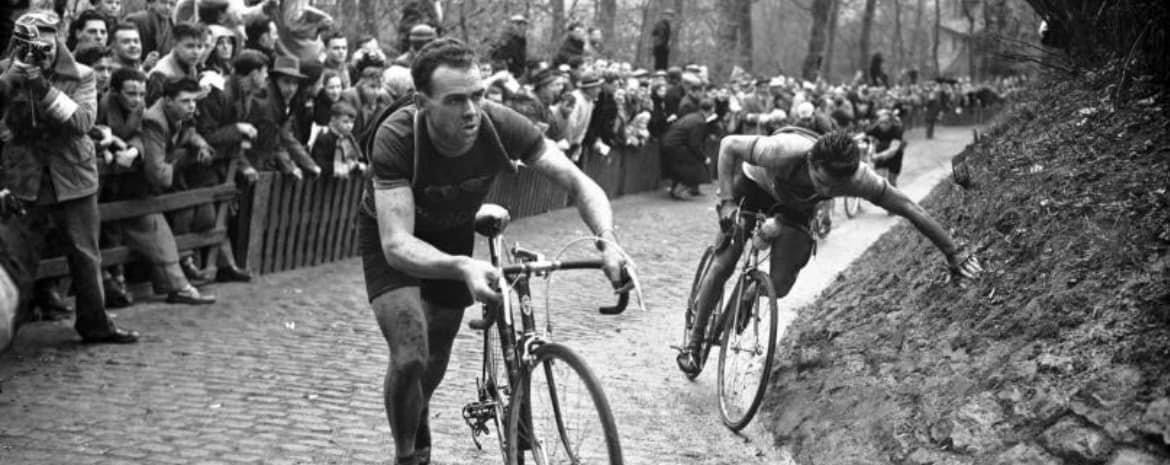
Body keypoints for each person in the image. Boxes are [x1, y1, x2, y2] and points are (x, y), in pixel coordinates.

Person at [360, 37, 626, 465]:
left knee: (435, 356)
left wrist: (608, 240)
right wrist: (463, 265)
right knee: (411, 354)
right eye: (456, 100)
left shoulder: (501, 124)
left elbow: (579, 183)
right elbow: (396, 244)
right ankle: (407, 453)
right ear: (421, 101)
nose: (471, 111)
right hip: (393, 239)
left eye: (478, 96)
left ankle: (417, 408)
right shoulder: (397, 136)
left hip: (451, 234)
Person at [675, 129, 983, 375]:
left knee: (780, 283)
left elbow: (908, 207)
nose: (825, 191)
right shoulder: (783, 150)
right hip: (754, 188)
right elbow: (728, 145)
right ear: (811, 162)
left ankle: (750, 294)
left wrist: (952, 252)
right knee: (726, 259)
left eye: (833, 188)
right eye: (820, 181)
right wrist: (727, 201)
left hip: (794, 207)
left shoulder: (859, 178)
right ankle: (695, 342)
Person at [0, 10, 139, 344]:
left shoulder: (82, 75)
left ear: (58, 40)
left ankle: (95, 324)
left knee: (85, 255)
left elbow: (80, 123)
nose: (41, 55)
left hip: (72, 178)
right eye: (33, 48)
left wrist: (42, 88)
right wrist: (8, 82)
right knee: (15, 259)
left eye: (47, 48)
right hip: (25, 179)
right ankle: (7, 331)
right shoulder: (6, 72)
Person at [661, 98, 715, 199]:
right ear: (712, 110)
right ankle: (679, 190)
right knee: (694, 166)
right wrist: (704, 157)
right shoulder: (700, 122)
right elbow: (694, 144)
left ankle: (678, 188)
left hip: (669, 143)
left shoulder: (693, 116)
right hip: (675, 146)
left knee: (686, 164)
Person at [145, 21, 206, 104]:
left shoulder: (190, 64)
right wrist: (196, 97)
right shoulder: (160, 74)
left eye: (199, 46)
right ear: (174, 44)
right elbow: (156, 109)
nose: (196, 52)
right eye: (190, 46)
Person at [310, 101, 365, 178]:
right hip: (322, 182)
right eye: (345, 122)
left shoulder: (349, 138)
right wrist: (337, 168)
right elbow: (319, 163)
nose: (350, 126)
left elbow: (355, 158)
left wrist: (356, 165)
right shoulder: (324, 137)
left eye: (352, 122)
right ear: (333, 120)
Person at [125, 0, 173, 67]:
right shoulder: (138, 20)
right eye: (163, 2)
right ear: (153, 3)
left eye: (172, 4)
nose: (168, 7)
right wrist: (143, 65)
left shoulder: (172, 26)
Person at [866, 108, 906, 187]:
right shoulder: (875, 128)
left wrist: (877, 156)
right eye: (881, 123)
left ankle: (894, 196)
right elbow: (866, 137)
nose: (883, 125)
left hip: (895, 155)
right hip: (881, 152)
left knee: (892, 181)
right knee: (879, 181)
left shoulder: (897, 130)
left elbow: (893, 151)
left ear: (891, 122)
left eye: (886, 123)